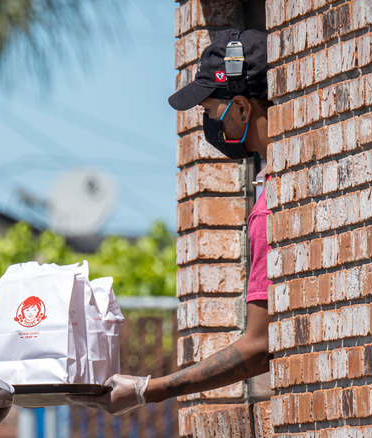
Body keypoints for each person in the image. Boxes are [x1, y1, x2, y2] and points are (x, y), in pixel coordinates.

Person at [70, 28, 274, 415]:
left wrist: (148, 389)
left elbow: (258, 347)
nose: (210, 124)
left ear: (243, 109)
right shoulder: (281, 178)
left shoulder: (268, 207)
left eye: (212, 111)